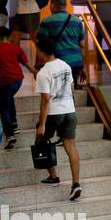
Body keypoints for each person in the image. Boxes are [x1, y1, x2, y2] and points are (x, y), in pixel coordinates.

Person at [33, 35, 80, 201]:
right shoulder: (65, 65)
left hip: (54, 112)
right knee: (71, 147)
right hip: (70, 110)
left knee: (42, 140)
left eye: (37, 51)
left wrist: (41, 125)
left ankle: (53, 177)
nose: (36, 53)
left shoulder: (43, 72)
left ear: (43, 52)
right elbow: (71, 88)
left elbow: (46, 99)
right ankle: (76, 184)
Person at [37, 0, 86, 88]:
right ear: (65, 5)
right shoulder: (78, 22)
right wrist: (83, 67)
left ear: (52, 5)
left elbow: (41, 45)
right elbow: (82, 45)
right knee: (70, 91)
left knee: (59, 92)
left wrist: (38, 65)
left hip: (58, 62)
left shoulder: (46, 21)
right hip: (76, 62)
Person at [0, 26, 28, 148]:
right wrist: (34, 71)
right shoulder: (16, 48)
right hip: (18, 80)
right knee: (8, 98)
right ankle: (13, 124)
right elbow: (25, 62)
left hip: (5, 81)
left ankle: (9, 135)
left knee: (3, 107)